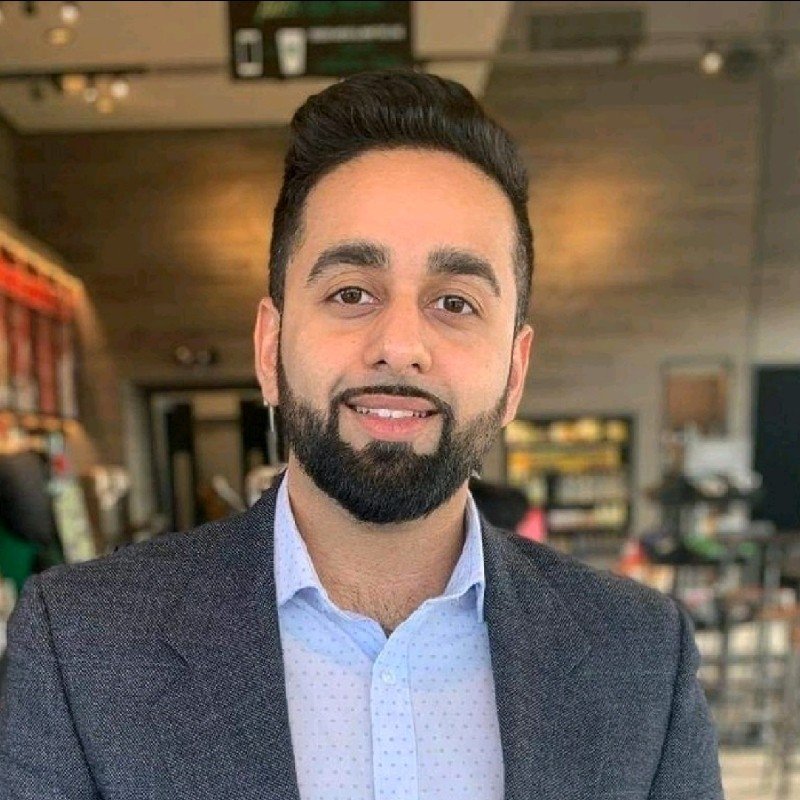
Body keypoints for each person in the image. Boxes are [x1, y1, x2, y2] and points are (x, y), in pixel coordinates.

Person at [0, 70, 723, 800]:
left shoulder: (640, 656)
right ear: (269, 348)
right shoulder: (81, 647)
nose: (400, 343)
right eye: (351, 292)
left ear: (515, 372)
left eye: (455, 301)